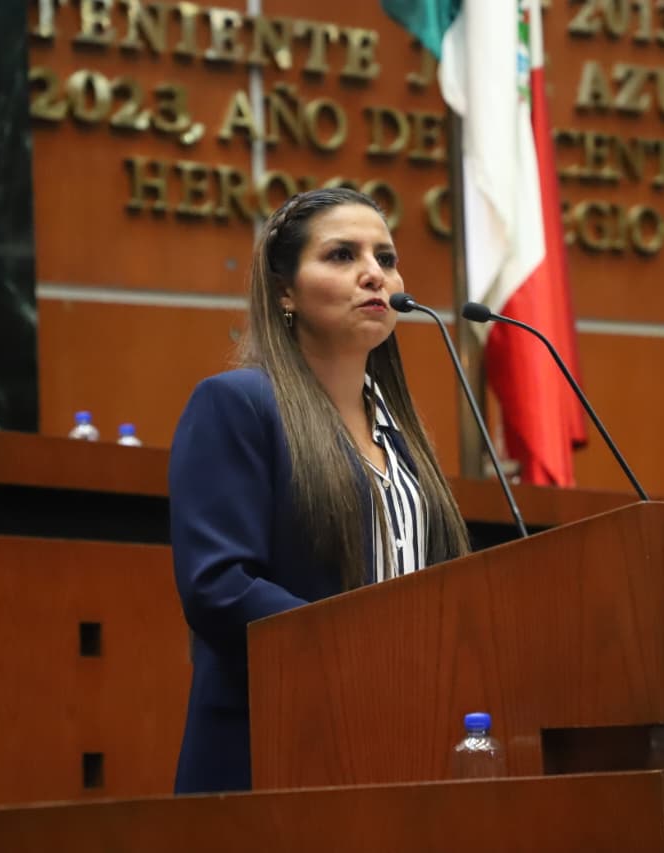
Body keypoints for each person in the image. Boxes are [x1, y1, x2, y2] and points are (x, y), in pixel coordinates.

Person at [169, 188, 470, 794]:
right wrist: (365, 651)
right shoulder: (238, 405)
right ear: (285, 291)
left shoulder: (404, 437)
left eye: (386, 258)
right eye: (341, 255)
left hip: (406, 738)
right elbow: (220, 587)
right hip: (278, 745)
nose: (374, 274)